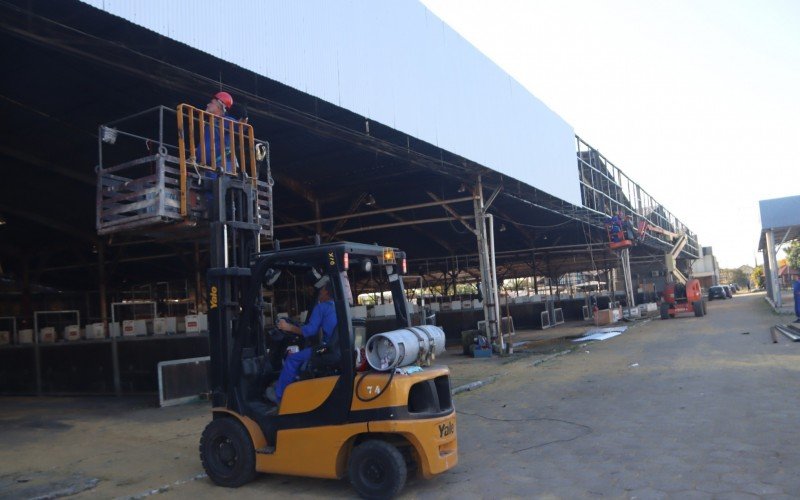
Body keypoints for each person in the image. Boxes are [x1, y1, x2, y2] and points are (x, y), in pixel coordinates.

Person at [266, 272, 338, 405]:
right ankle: (296, 388)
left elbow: (310, 331)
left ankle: (279, 396)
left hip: (326, 349)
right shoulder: (338, 307)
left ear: (327, 293)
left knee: (292, 359)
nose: (319, 293)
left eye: (321, 290)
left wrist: (288, 327)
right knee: (302, 358)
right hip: (336, 348)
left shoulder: (322, 307)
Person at [195, 91, 238, 175]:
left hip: (221, 167)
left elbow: (239, 126)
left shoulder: (226, 121)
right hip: (207, 168)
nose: (208, 105)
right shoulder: (209, 124)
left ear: (220, 106)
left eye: (211, 103)